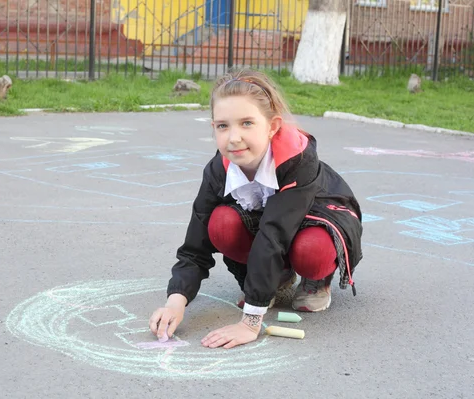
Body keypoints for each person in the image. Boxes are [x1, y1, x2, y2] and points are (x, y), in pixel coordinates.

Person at [149, 68, 363, 349]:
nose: (234, 138)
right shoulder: (218, 170)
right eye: (223, 126)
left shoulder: (298, 161)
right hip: (269, 221)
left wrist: (250, 322)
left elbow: (274, 234)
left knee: (311, 249)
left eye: (247, 123)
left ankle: (316, 281)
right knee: (221, 223)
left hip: (319, 215)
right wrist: (176, 302)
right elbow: (195, 245)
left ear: (272, 126)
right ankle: (277, 279)